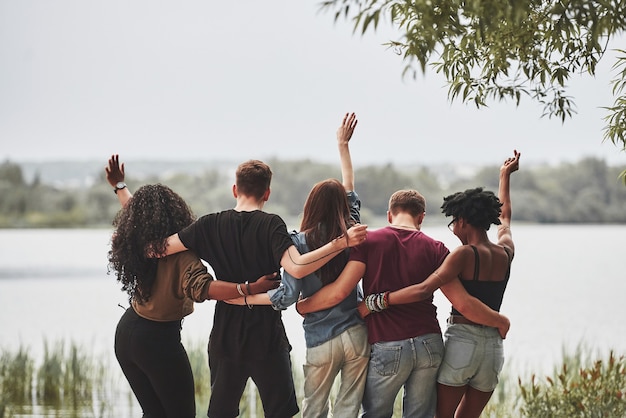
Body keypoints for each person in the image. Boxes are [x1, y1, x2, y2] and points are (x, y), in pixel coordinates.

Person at [153, 146, 368, 417]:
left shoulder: (208, 225)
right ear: (267, 193)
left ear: (235, 190)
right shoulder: (272, 225)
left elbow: (160, 249)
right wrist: (342, 243)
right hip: (267, 335)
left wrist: (137, 238)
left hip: (226, 333)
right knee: (280, 411)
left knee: (221, 412)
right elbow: (296, 269)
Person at [296, 188, 510, 418]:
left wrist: (303, 305)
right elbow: (462, 301)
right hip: (429, 343)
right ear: (421, 217)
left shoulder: (369, 242)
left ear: (389, 215)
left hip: (388, 343)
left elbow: (340, 291)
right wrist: (499, 320)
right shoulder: (437, 249)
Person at [105, 155, 280, 418]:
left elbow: (134, 211)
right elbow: (205, 289)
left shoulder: (143, 242)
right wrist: (249, 287)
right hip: (157, 340)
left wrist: (119, 186)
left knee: (154, 413)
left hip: (127, 334)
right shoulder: (183, 255)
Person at [228, 112, 369, 417]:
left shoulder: (298, 244)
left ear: (310, 206)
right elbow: (349, 189)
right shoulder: (353, 231)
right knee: (349, 409)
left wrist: (245, 296)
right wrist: (343, 146)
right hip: (357, 333)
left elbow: (286, 297)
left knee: (314, 410)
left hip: (321, 337)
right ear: (343, 208)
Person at [360, 150, 520, 418]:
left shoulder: (463, 254)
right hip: (493, 348)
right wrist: (504, 177)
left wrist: (375, 302)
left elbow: (425, 289)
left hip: (463, 342)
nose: (453, 229)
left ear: (463, 221)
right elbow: (505, 219)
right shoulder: (506, 251)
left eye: (453, 222)